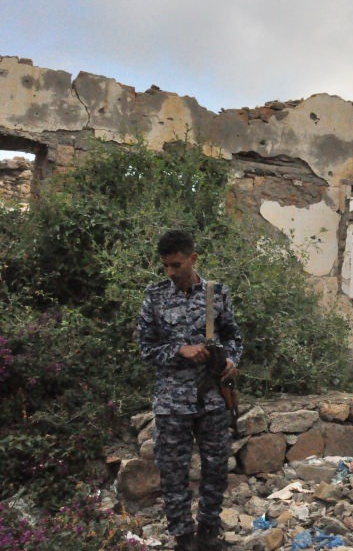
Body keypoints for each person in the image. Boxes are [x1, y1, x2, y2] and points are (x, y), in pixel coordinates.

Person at [137, 230, 242, 551]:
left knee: (215, 467)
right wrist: (178, 350)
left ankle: (209, 533)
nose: (170, 272)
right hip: (171, 400)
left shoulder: (217, 294)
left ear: (193, 259)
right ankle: (184, 538)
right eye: (165, 266)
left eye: (176, 265)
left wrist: (233, 360)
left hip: (211, 397)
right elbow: (145, 348)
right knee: (172, 472)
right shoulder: (154, 296)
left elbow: (234, 336)